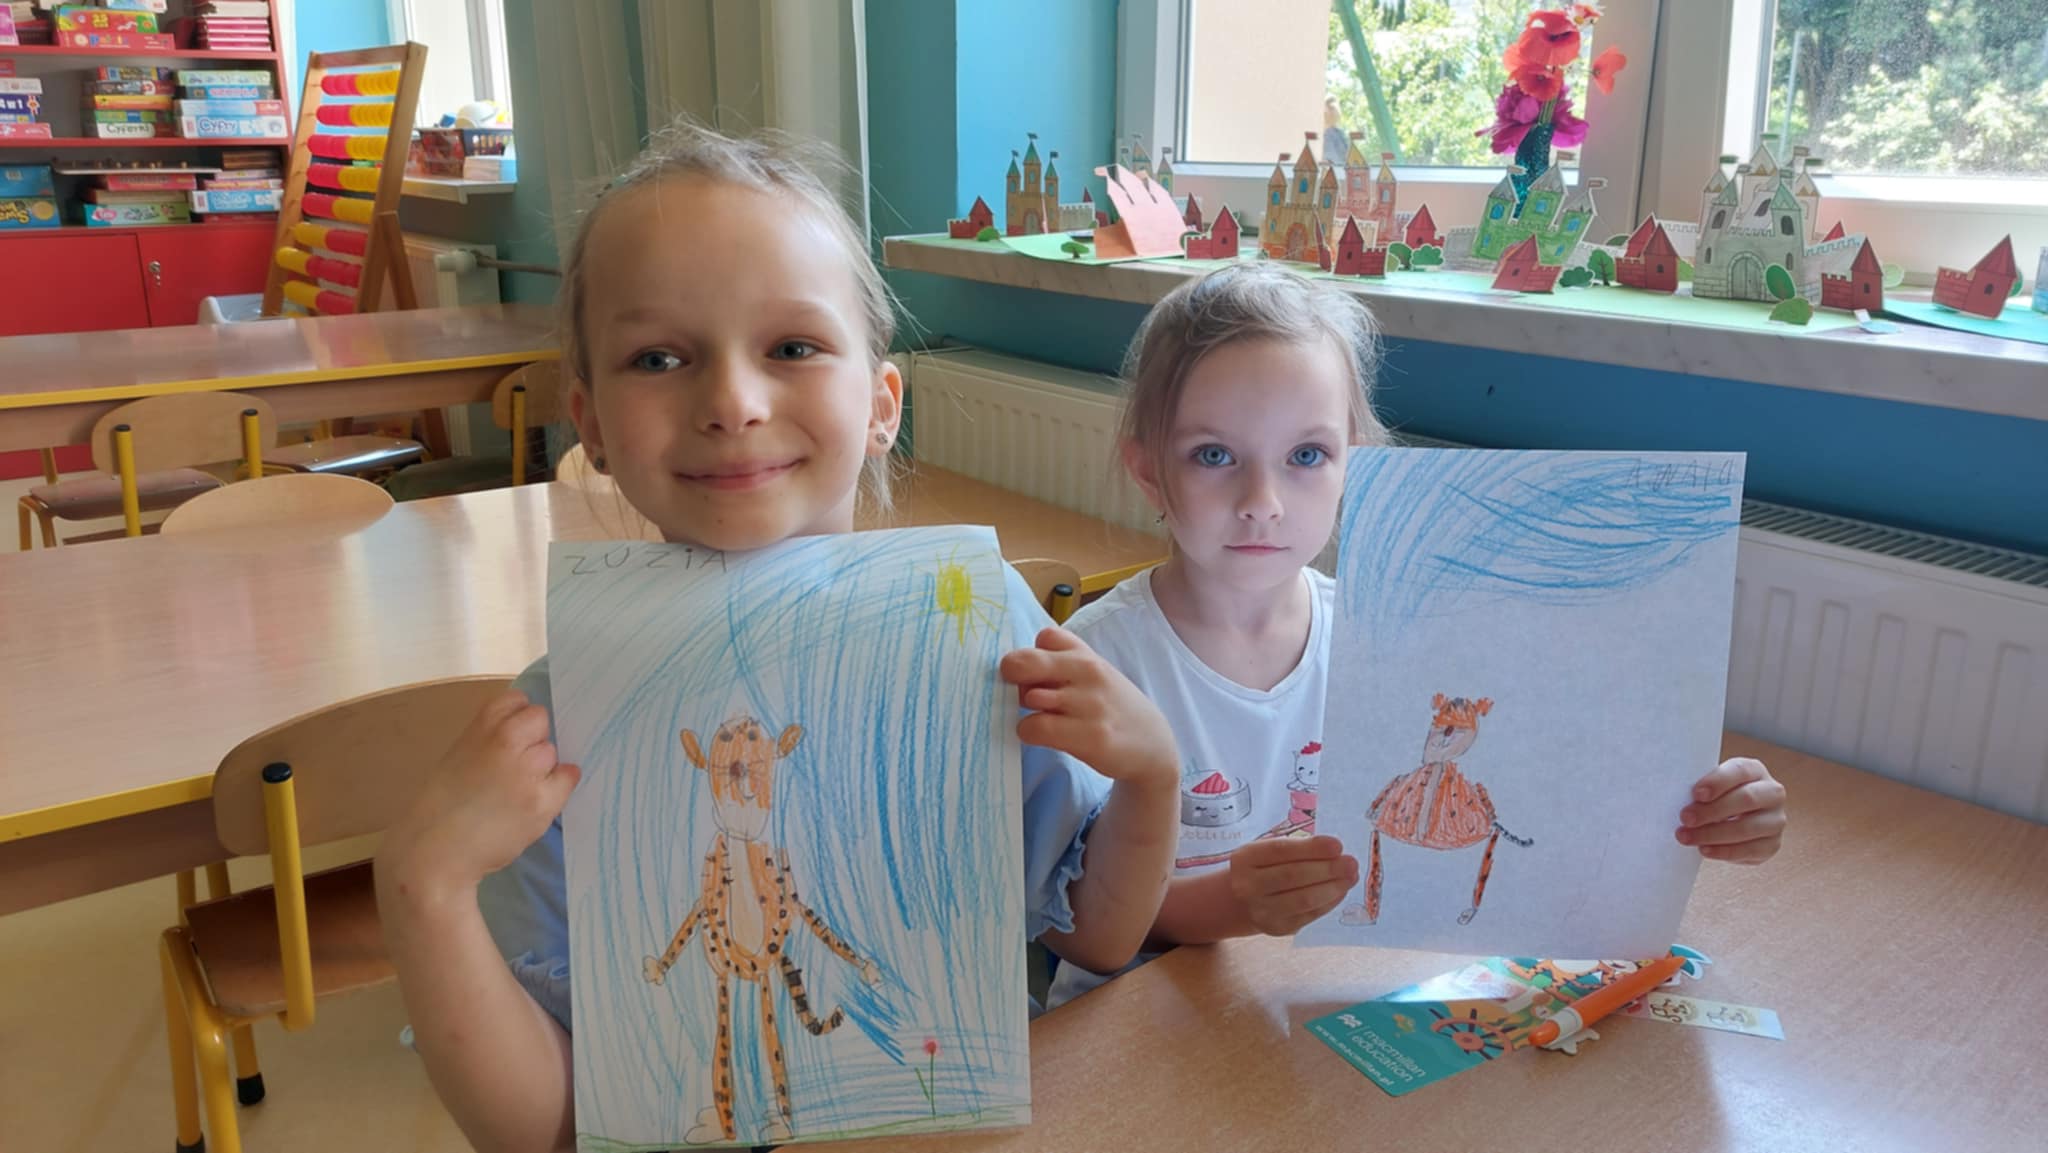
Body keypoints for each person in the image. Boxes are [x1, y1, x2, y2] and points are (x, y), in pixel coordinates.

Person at [374, 120, 1181, 1153]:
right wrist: (424, 889)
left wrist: (1151, 774)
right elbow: (554, 1127)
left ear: (881, 404)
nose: (732, 402)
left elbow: (1096, 935)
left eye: (792, 347)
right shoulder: (558, 730)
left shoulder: (982, 641)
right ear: (593, 425)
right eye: (658, 357)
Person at [1048, 264, 1787, 1005]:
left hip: (1319, 1005)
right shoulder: (1099, 665)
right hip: (1145, 1030)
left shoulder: (1394, 646)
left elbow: (1544, 780)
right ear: (1148, 470)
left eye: (1306, 456)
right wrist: (1233, 904)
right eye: (1214, 455)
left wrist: (1701, 811)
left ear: (1355, 462)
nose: (1262, 502)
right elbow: (1073, 927)